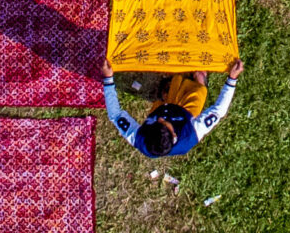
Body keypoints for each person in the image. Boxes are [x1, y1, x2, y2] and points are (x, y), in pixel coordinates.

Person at [103, 57, 243, 159]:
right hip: (184, 112)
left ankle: (168, 90)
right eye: (164, 122)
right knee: (199, 90)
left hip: (167, 106)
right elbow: (219, 111)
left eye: (158, 121)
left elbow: (115, 115)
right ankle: (198, 79)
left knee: (174, 80)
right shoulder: (191, 133)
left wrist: (108, 79)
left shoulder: (139, 138)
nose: (161, 118)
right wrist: (232, 79)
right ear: (175, 135)